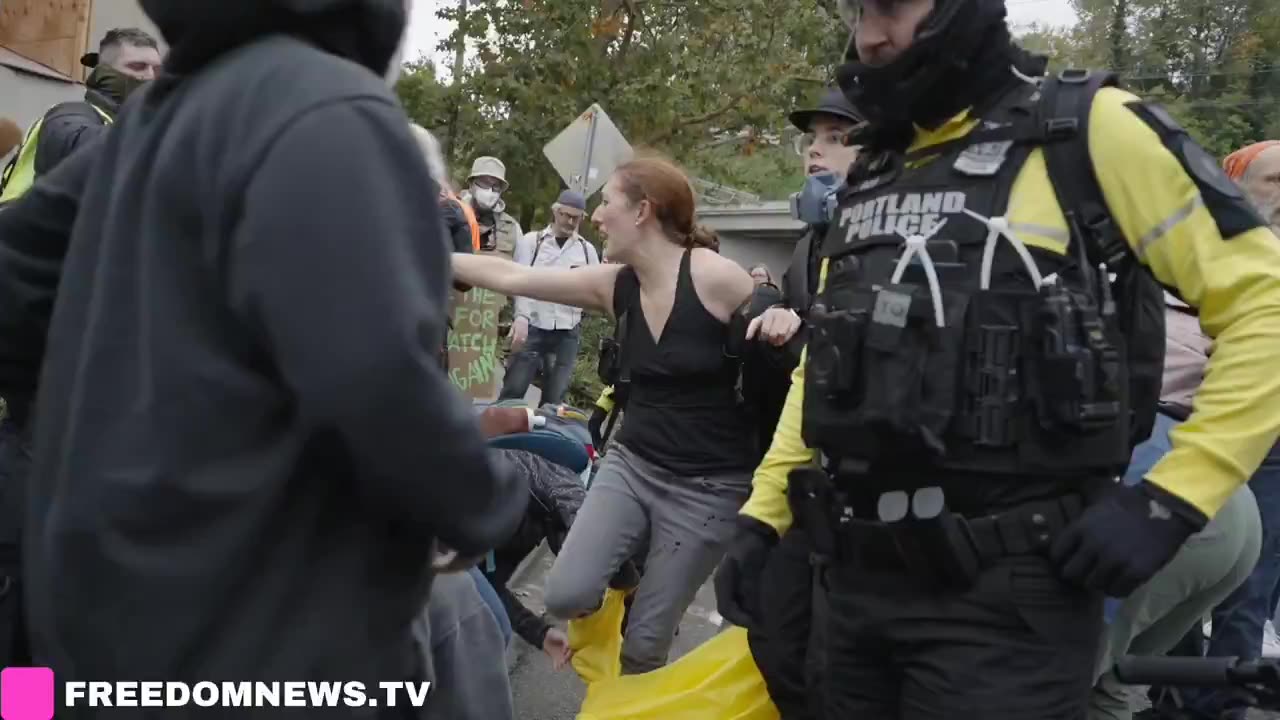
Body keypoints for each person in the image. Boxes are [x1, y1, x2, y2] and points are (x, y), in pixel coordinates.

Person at [714, 0, 1280, 716]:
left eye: (892, 7)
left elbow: (1265, 304)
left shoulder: (1087, 130)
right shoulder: (876, 169)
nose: (872, 35)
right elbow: (825, 368)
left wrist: (1174, 499)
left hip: (1008, 605)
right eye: (860, 12)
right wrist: (761, 520)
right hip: (853, 592)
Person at [12, 0, 527, 706]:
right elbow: (373, 375)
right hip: (263, 637)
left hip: (96, 619)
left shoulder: (157, 118)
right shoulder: (330, 108)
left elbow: (13, 284)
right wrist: (482, 499)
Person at [453, 155, 759, 674]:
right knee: (566, 595)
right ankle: (630, 579)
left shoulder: (715, 278)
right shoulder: (616, 284)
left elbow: (782, 351)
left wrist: (776, 308)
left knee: (643, 648)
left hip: (707, 487)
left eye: (606, 202)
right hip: (634, 465)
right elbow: (511, 274)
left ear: (643, 211)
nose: (595, 216)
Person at [1134, 143, 1280, 720]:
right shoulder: (1189, 254)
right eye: (1275, 179)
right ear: (1233, 184)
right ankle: (1172, 702)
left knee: (1247, 594)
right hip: (1183, 435)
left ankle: (1222, 710)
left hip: (1266, 448)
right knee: (1183, 590)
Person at [745, 87, 863, 720]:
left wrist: (808, 325)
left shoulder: (895, 242)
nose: (815, 150)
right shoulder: (808, 242)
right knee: (777, 636)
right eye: (812, 138)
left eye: (837, 137)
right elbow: (805, 376)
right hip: (807, 479)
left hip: (875, 504)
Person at [1089, 292, 1263, 720]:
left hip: (1160, 489)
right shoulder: (1225, 303)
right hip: (1228, 503)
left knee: (1060, 677)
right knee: (1113, 684)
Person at [0, 28, 161, 203]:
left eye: (157, 70)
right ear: (105, 72)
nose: (151, 76)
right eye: (138, 67)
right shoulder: (69, 114)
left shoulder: (132, 123)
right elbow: (77, 143)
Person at [501, 189, 600, 405]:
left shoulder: (586, 250)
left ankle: (545, 435)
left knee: (555, 399)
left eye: (576, 217)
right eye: (566, 215)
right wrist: (521, 318)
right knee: (514, 389)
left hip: (566, 331)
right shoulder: (532, 242)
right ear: (555, 212)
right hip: (534, 326)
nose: (570, 221)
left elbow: (596, 289)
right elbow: (520, 282)